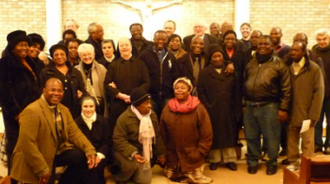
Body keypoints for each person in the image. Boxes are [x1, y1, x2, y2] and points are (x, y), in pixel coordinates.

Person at [10, 78, 97, 184]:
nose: (56, 93)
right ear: (44, 90)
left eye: (59, 91)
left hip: (55, 152)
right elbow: (27, 144)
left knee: (80, 156)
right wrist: (42, 170)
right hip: (35, 158)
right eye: (52, 90)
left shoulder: (64, 110)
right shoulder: (31, 111)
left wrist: (90, 150)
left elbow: (74, 132)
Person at [244, 35, 291, 175]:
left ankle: (272, 163)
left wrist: (283, 108)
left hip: (270, 106)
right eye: (260, 44)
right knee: (251, 136)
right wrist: (243, 103)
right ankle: (252, 161)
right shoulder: (251, 63)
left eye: (266, 44)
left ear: (272, 46)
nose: (262, 46)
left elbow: (286, 88)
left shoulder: (279, 64)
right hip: (250, 106)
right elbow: (243, 83)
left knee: (271, 137)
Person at [0, 30, 41, 174]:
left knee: (31, 146)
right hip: (16, 115)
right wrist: (16, 112)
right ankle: (15, 177)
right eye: (20, 45)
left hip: (33, 112)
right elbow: (4, 91)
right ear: (12, 47)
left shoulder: (29, 61)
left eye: (26, 45)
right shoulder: (5, 63)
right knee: (17, 147)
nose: (24, 48)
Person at [197, 45, 242, 171]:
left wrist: (237, 109)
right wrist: (207, 106)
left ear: (223, 57)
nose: (217, 59)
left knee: (230, 134)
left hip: (229, 109)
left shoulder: (230, 71)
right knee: (214, 134)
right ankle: (214, 159)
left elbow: (237, 91)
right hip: (212, 108)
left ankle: (230, 159)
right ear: (210, 59)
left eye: (219, 56)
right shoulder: (205, 73)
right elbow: (200, 91)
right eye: (214, 56)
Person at [160, 77, 213, 184]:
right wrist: (164, 153)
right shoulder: (167, 108)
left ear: (189, 91)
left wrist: (199, 152)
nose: (179, 90)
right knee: (172, 176)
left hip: (193, 155)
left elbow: (206, 133)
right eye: (176, 88)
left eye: (183, 88)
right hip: (173, 155)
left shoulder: (199, 108)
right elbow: (162, 133)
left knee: (194, 179)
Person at [281, 42, 324, 165]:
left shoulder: (314, 68)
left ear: (304, 52)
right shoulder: (287, 68)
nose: (292, 52)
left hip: (307, 112)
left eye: (296, 50)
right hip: (291, 111)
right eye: (292, 50)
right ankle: (293, 163)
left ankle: (307, 167)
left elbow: (319, 93)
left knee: (308, 142)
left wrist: (314, 115)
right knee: (291, 141)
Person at [113, 88, 166, 184]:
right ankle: (121, 177)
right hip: (125, 151)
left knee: (144, 181)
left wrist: (161, 154)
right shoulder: (124, 118)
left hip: (143, 151)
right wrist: (133, 153)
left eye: (150, 102)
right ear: (137, 105)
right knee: (130, 166)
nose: (150, 106)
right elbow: (118, 140)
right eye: (146, 103)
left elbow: (157, 135)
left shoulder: (152, 115)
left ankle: (134, 172)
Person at [104, 37, 150, 134]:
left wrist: (134, 96)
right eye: (121, 45)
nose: (124, 47)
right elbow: (107, 85)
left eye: (126, 45)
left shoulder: (140, 64)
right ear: (118, 48)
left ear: (131, 47)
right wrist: (120, 95)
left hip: (138, 103)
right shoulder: (113, 65)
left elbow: (147, 82)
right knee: (118, 131)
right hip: (118, 104)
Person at [139, 30, 180, 119]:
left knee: (167, 120)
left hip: (167, 96)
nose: (160, 42)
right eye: (158, 39)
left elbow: (175, 75)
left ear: (167, 40)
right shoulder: (144, 55)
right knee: (151, 121)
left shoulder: (171, 56)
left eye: (163, 39)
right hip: (150, 96)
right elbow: (140, 75)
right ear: (153, 39)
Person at [40, 44, 87, 118]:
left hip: (74, 110)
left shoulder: (75, 71)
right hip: (53, 110)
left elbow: (83, 90)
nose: (59, 57)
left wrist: (81, 95)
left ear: (66, 56)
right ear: (52, 57)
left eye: (62, 54)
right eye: (56, 55)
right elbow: (41, 90)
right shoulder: (46, 72)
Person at [75, 96, 112, 184]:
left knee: (96, 170)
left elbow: (107, 141)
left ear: (95, 107)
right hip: (83, 155)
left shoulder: (104, 121)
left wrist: (99, 155)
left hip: (100, 154)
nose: (88, 109)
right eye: (85, 106)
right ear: (81, 107)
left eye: (91, 106)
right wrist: (88, 156)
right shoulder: (75, 123)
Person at [270, 27, 291, 156]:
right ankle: (271, 149)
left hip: (283, 89)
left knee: (283, 123)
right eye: (272, 33)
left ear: (281, 34)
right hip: (271, 91)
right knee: (271, 124)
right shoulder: (267, 50)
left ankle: (285, 147)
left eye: (276, 33)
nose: (274, 35)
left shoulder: (287, 50)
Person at [76, 43, 108, 117]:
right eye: (84, 55)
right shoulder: (75, 70)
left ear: (94, 54)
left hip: (100, 104)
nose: (87, 57)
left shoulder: (102, 69)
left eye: (89, 54)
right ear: (80, 56)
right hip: (83, 105)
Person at [312, 28, 330, 155]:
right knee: (316, 120)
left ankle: (328, 144)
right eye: (319, 39)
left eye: (324, 39)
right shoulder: (313, 52)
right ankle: (317, 144)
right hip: (318, 93)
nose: (321, 42)